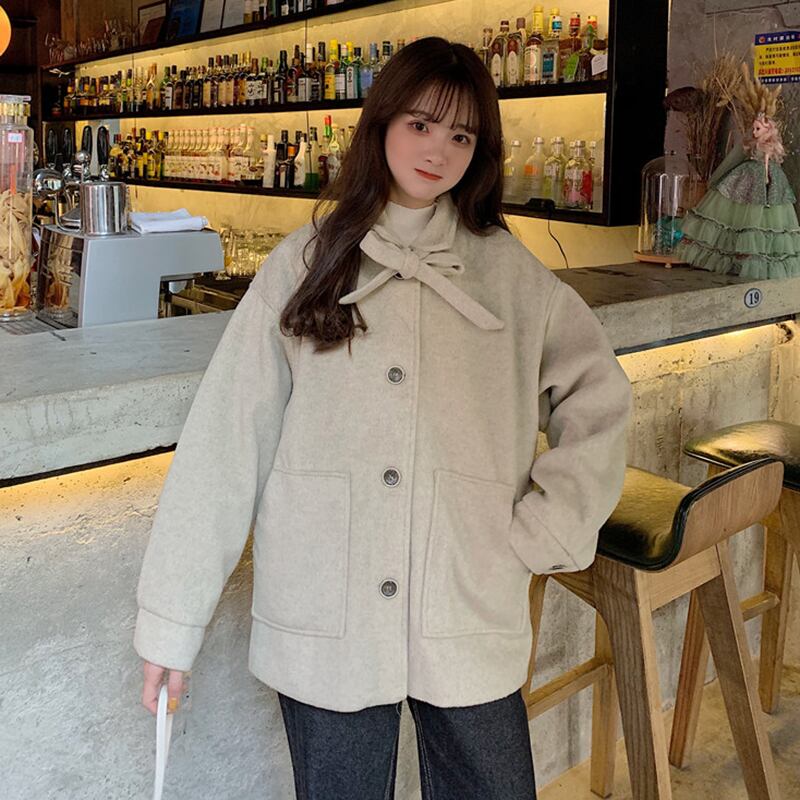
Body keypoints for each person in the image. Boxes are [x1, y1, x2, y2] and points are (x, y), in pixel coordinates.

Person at [135, 36, 632, 800]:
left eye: (461, 135)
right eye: (421, 124)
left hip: (468, 592)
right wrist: (172, 624)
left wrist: (544, 530)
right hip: (324, 601)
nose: (438, 150)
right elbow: (227, 444)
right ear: (382, 122)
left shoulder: (508, 275)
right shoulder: (305, 263)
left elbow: (599, 398)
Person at [675, 66, 800, 279]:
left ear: (769, 129)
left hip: (769, 182)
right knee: (739, 213)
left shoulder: (770, 147)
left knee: (767, 219)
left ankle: (759, 258)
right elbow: (738, 157)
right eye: (754, 128)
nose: (755, 132)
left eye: (758, 129)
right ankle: (736, 257)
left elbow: (769, 161)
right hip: (749, 177)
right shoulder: (751, 144)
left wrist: (768, 176)